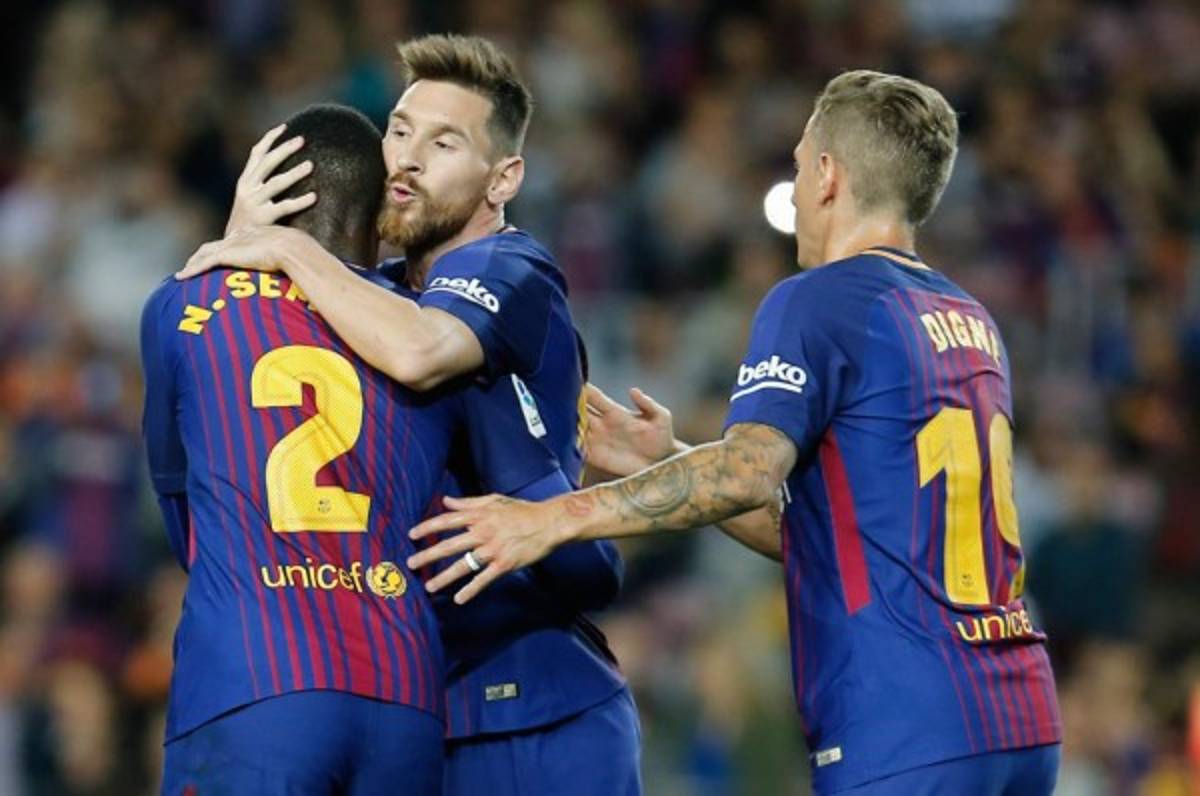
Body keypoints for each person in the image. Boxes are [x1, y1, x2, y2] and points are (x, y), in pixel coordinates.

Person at [408, 70, 1064, 795]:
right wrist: (670, 456)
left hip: (905, 718)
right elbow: (845, 540)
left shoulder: (818, 300)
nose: (797, 187)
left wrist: (550, 518)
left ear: (825, 175)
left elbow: (749, 471)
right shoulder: (971, 321)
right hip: (1019, 713)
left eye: (797, 166)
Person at [175, 35, 642, 795]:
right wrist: (240, 237)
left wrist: (285, 249)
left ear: (504, 178)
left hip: (532, 711)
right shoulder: (377, 293)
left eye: (444, 142)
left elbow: (423, 351)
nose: (407, 159)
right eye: (399, 130)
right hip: (413, 709)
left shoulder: (509, 267)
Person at [141, 104, 452, 793]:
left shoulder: (183, 304)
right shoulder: (427, 330)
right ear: (382, 216)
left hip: (252, 678)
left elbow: (178, 500)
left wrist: (237, 238)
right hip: (405, 693)